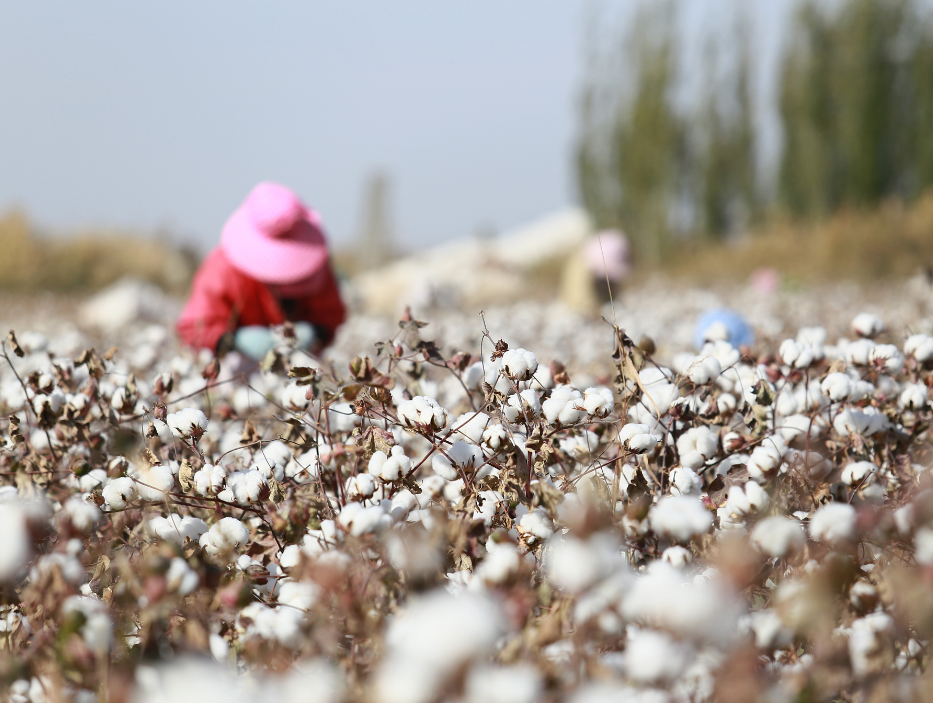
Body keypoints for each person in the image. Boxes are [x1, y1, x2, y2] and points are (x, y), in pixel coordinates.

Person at [177, 182, 346, 359]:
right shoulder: (222, 270)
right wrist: (234, 340)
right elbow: (194, 328)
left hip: (300, 366)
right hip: (238, 368)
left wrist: (315, 331)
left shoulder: (317, 268)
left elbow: (331, 313)